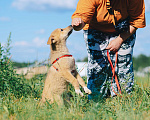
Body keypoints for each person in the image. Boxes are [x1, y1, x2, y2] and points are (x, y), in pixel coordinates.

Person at [71, 0, 146, 100]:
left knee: (123, 64)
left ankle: (122, 99)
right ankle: (95, 101)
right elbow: (81, 19)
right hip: (95, 28)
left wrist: (119, 40)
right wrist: (77, 24)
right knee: (97, 66)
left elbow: (137, 20)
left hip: (124, 28)